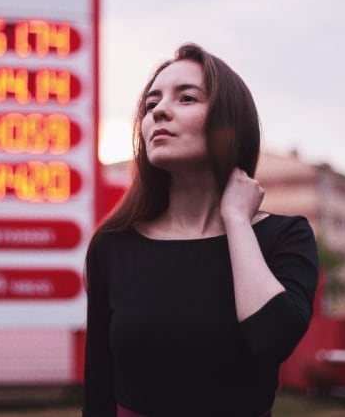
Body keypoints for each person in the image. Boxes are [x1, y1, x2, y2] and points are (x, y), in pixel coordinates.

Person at [83, 43, 318, 417]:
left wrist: (237, 221)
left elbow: (273, 338)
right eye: (150, 104)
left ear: (229, 123)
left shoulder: (284, 237)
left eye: (186, 98)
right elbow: (98, 390)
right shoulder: (112, 246)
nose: (159, 110)